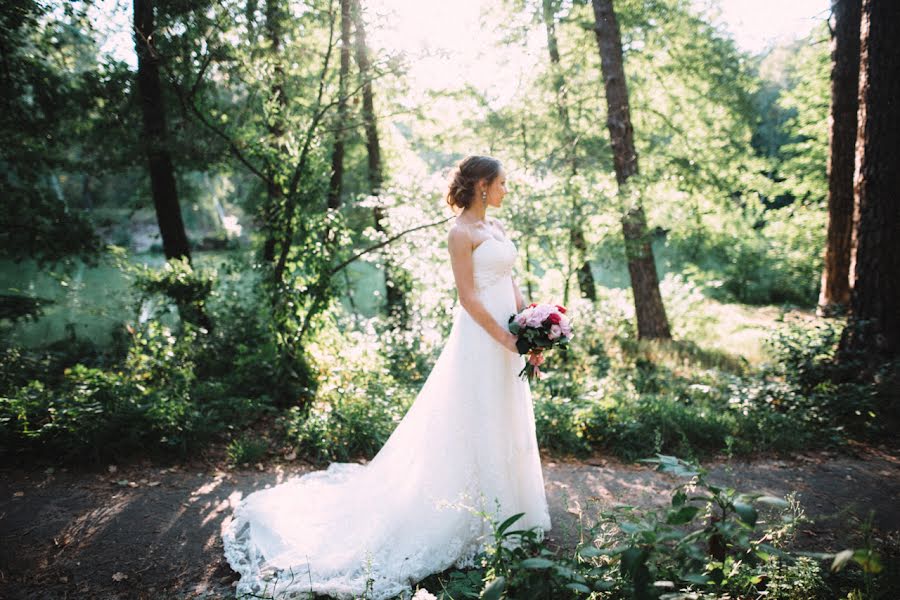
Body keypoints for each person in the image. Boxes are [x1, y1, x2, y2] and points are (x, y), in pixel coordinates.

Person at [222, 155, 552, 599]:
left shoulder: (497, 229)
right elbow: (469, 299)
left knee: (508, 418)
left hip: (509, 334)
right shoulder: (461, 233)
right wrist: (505, 339)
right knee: (476, 418)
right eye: (502, 183)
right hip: (480, 338)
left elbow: (510, 285)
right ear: (481, 185)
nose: (506, 190)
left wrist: (531, 331)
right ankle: (471, 519)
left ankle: (513, 512)